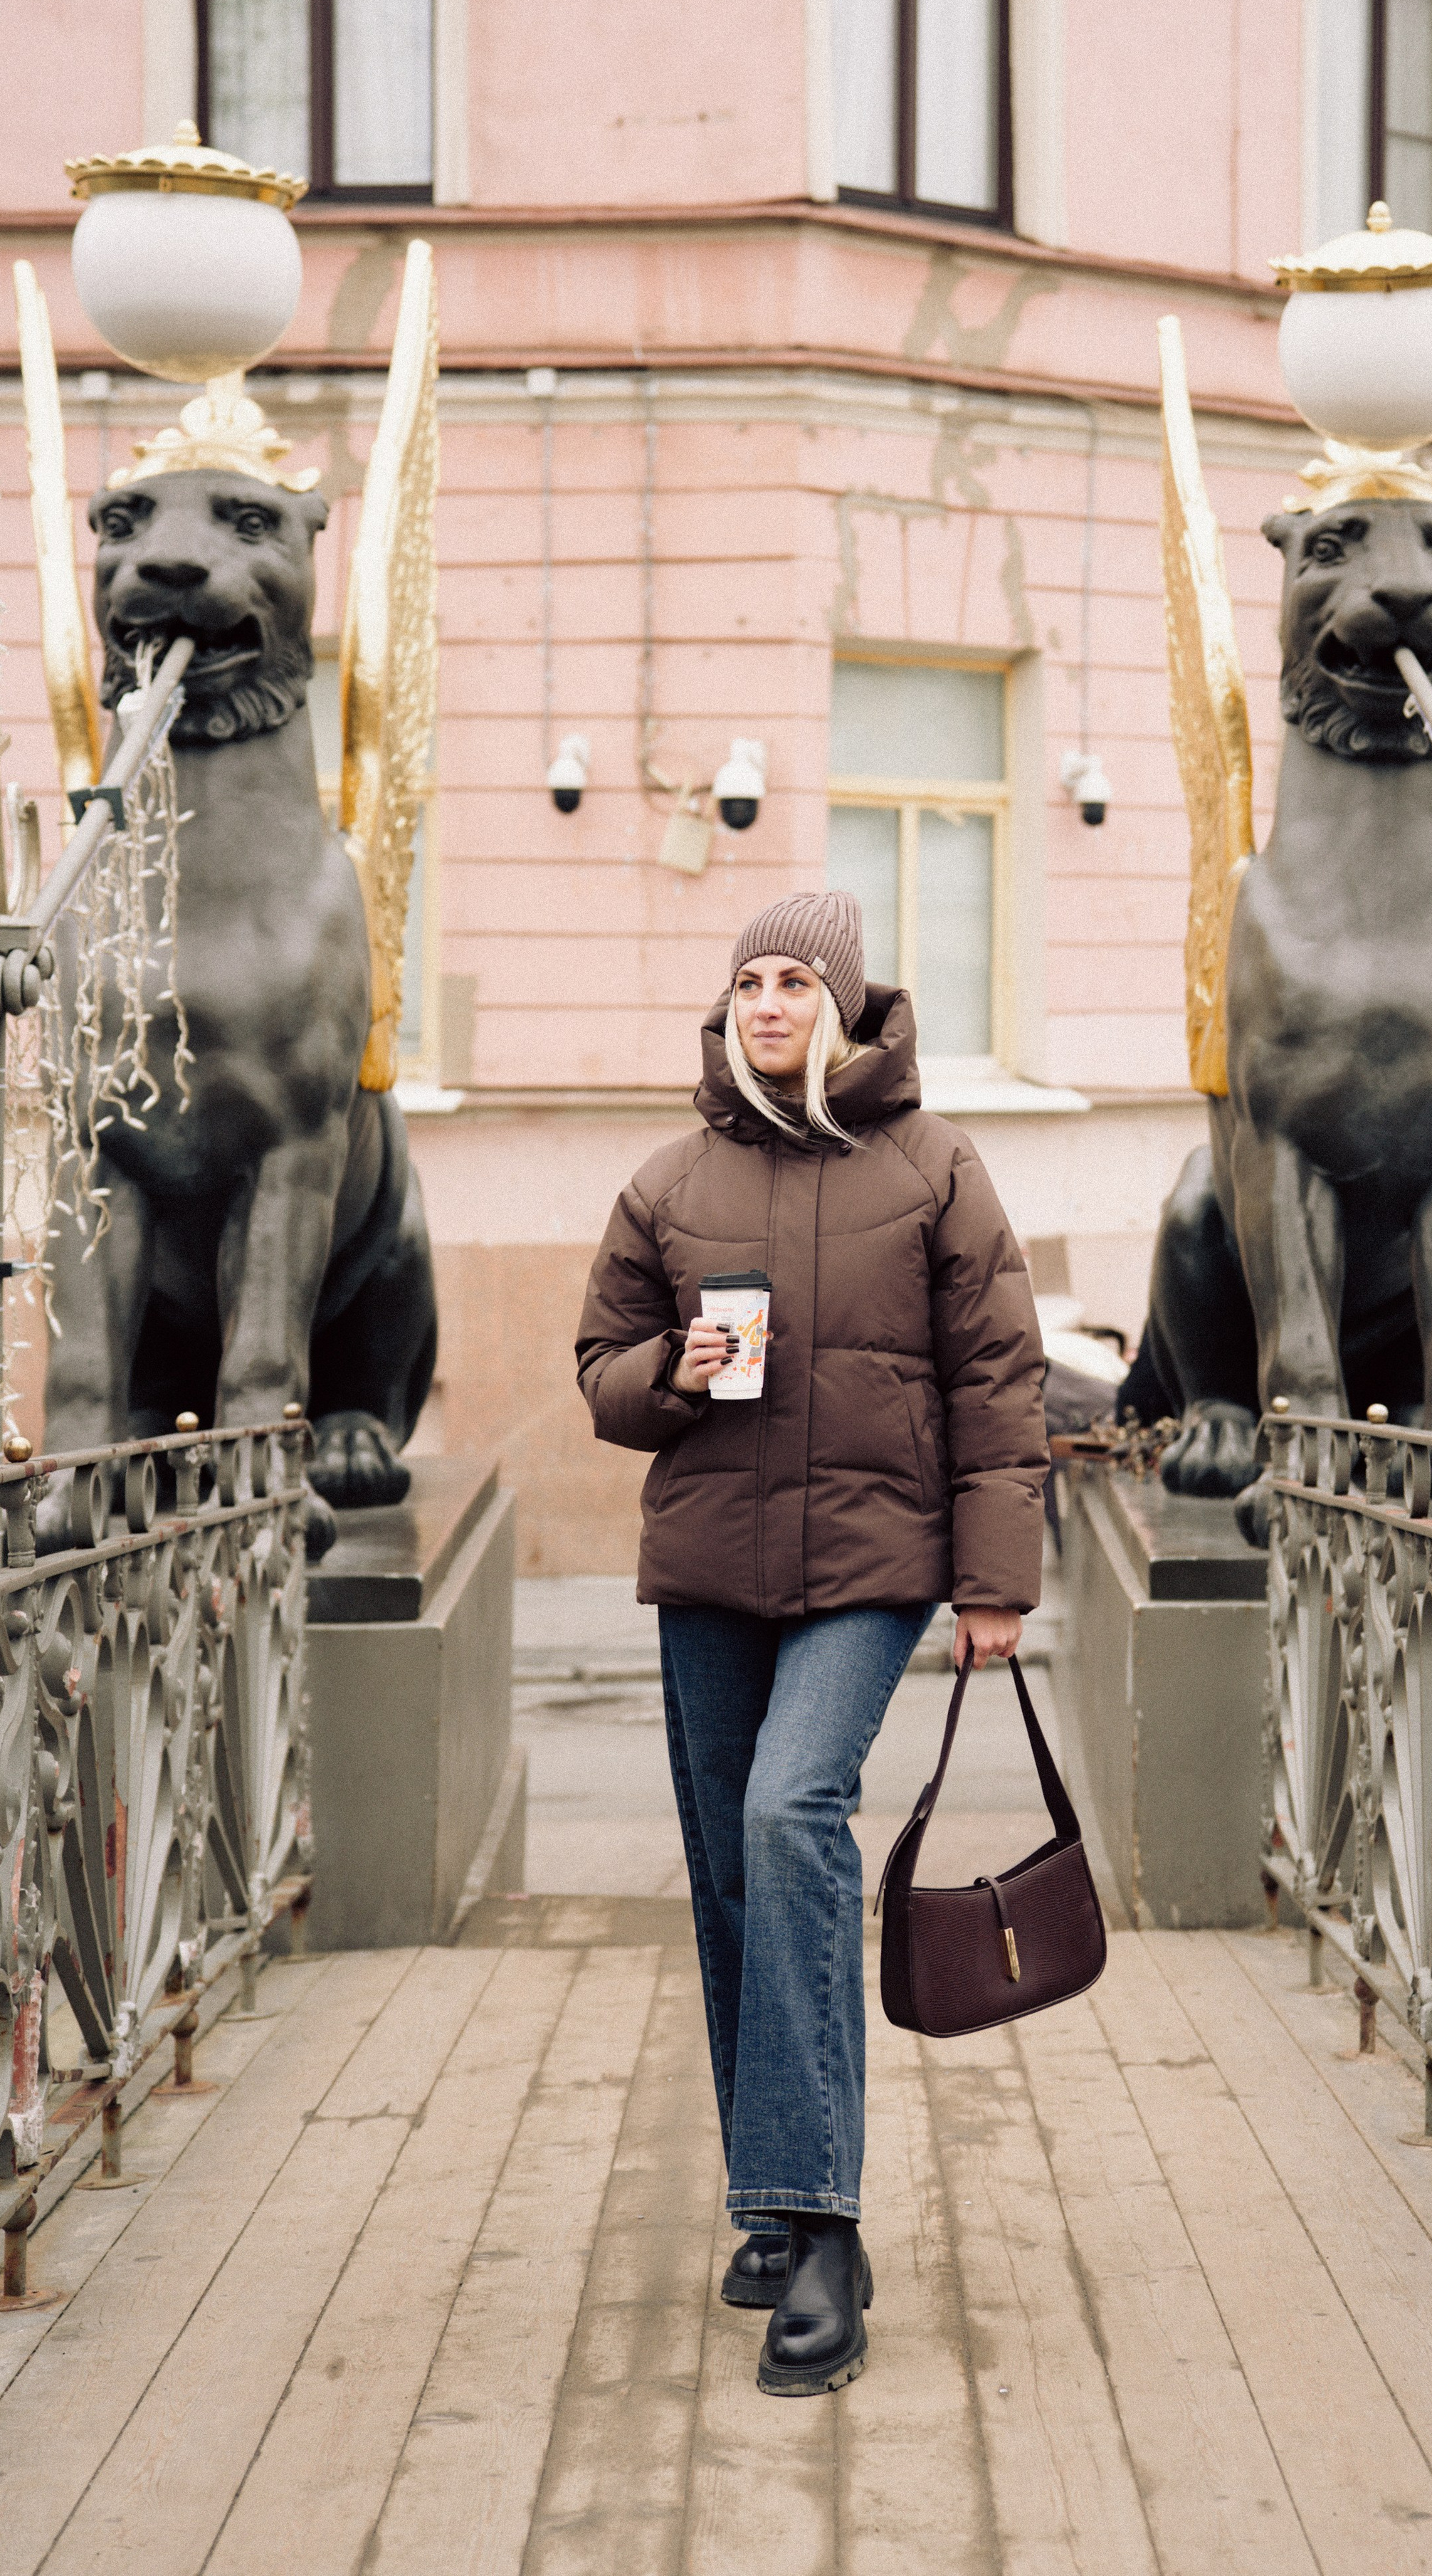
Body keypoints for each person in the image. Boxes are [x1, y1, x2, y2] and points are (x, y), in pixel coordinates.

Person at [576, 890, 1048, 2397]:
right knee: (730, 1867)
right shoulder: (668, 1180)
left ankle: (827, 2227)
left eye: (795, 982)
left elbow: (998, 1380)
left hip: (871, 1563)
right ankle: (771, 2204)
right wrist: (673, 1368)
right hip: (710, 1564)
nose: (769, 1004)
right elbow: (599, 1369)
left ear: (843, 1007)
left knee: (791, 1817)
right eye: (749, 984)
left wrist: (995, 1581)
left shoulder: (933, 1168)